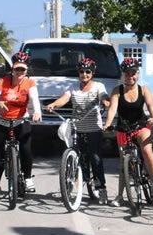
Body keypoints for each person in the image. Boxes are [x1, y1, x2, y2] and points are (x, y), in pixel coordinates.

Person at [45, 58, 111, 204]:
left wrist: (106, 101)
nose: (84, 74)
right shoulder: (73, 87)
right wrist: (53, 104)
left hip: (94, 128)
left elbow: (103, 96)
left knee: (95, 158)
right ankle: (74, 182)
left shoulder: (98, 86)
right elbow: (64, 99)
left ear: (92, 73)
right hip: (77, 128)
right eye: (81, 71)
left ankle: (101, 188)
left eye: (88, 71)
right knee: (75, 155)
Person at [103, 58, 153, 207]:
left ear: (137, 74)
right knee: (124, 163)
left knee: (147, 152)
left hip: (141, 126)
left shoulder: (144, 90)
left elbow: (150, 106)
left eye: (133, 73)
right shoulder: (117, 91)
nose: (130, 76)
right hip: (123, 128)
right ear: (123, 74)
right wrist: (107, 124)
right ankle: (120, 196)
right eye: (127, 73)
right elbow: (112, 109)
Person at [0, 52, 42, 199]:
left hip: (21, 121)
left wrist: (37, 112)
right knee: (0, 156)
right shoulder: (3, 81)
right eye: (17, 69)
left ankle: (28, 178)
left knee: (26, 149)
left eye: (22, 69)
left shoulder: (30, 83)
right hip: (3, 122)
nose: (19, 72)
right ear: (12, 69)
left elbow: (35, 98)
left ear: (27, 70)